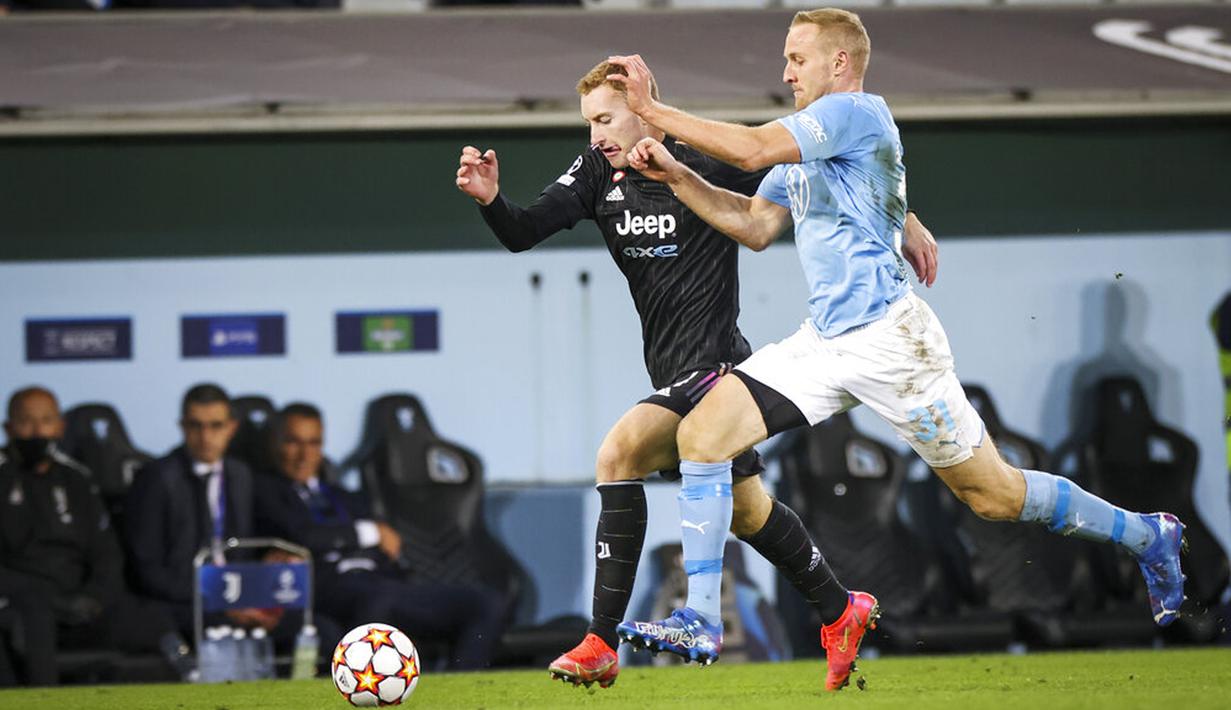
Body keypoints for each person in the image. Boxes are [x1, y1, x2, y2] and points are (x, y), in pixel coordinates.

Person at [604, 8, 1187, 690]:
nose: (785, 70)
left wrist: (653, 110)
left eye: (797, 58)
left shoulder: (855, 113)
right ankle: (700, 617)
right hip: (824, 342)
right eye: (785, 57)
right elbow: (755, 225)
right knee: (702, 436)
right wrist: (677, 176)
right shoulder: (808, 145)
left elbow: (753, 148)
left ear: (839, 65)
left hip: (892, 344)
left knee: (993, 497)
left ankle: (1148, 536)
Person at [455, 59, 939, 688]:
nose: (595, 134)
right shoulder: (596, 171)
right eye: (589, 122)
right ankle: (841, 607)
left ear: (642, 107)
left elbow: (826, 167)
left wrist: (905, 218)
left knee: (618, 455)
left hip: (720, 364)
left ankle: (601, 641)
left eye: (605, 118)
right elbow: (523, 233)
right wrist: (493, 201)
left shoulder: (703, 158)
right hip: (670, 368)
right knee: (747, 512)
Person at [252, 403, 507, 670]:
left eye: (314, 443)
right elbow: (304, 535)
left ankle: (458, 692)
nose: (304, 454)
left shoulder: (342, 496)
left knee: (485, 602)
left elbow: (389, 544)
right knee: (378, 600)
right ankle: (364, 689)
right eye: (293, 442)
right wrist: (369, 533)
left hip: (386, 584)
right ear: (275, 442)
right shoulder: (264, 491)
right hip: (331, 589)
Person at [0, 387, 186, 684]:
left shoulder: (77, 479)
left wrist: (94, 597)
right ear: (9, 428)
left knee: (152, 618)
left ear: (60, 426)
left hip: (80, 598)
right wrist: (49, 599)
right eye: (26, 421)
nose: (37, 431)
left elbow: (106, 553)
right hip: (23, 601)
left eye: (46, 421)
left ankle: (190, 688)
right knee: (33, 615)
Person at [124, 383, 286, 640]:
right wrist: (217, 598)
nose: (206, 437)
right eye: (196, 426)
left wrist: (275, 559)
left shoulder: (241, 475)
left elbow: (253, 545)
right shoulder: (156, 479)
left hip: (237, 594)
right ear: (182, 427)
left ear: (232, 427)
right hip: (183, 601)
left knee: (303, 623)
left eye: (216, 426)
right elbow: (148, 572)